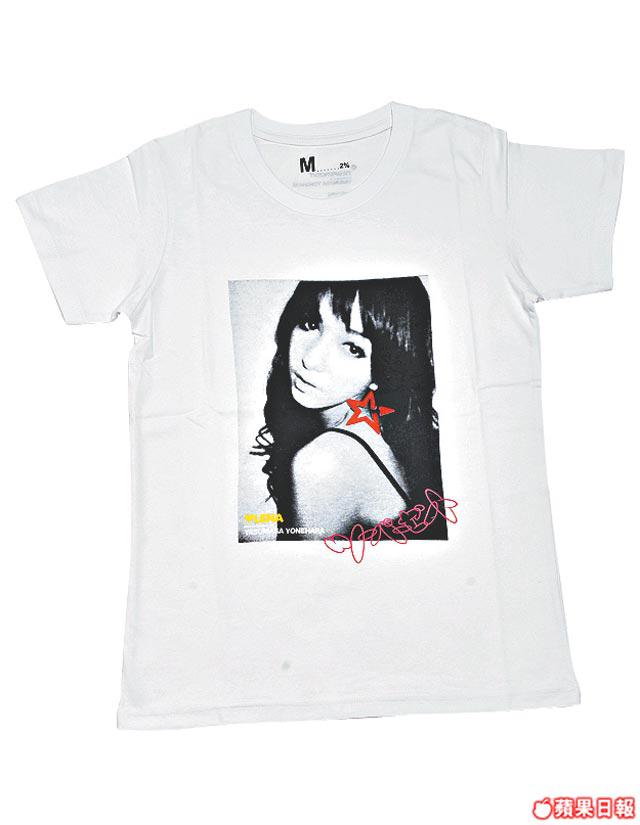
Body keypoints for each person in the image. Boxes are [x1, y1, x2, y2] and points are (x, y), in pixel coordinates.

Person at [251, 276, 448, 541]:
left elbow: (301, 567)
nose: (311, 359)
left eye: (353, 348)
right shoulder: (388, 434)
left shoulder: (326, 459)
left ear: (387, 368)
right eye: (310, 324)